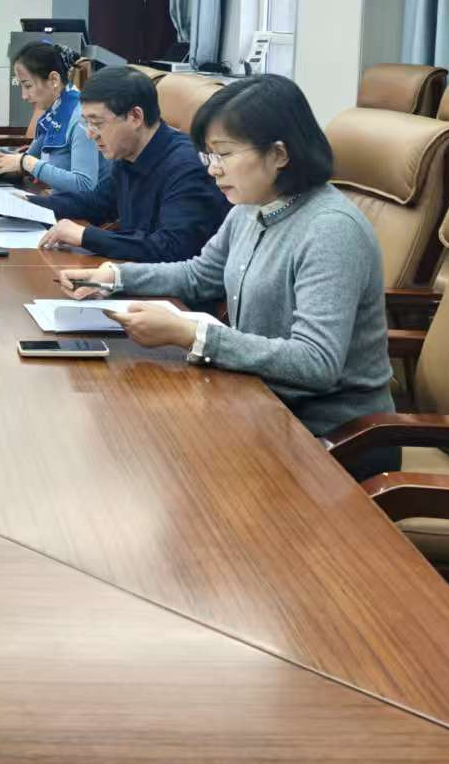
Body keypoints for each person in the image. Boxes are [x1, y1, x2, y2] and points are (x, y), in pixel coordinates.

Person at [59, 75, 396, 477]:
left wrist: (193, 335)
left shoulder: (331, 229)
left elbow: (315, 362)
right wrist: (115, 277)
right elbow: (200, 275)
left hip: (332, 439)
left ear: (279, 154)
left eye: (224, 154)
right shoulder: (249, 209)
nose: (213, 170)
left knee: (153, 460)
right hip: (257, 403)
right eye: (209, 156)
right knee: (126, 436)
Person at [38, 66, 229, 261]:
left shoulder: (187, 167)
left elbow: (172, 247)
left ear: (136, 117)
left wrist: (85, 236)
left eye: (97, 123)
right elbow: (96, 203)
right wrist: (29, 204)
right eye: (87, 123)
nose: (90, 134)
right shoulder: (128, 153)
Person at [0, 43, 100, 194]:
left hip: (85, 207)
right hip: (58, 200)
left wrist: (25, 162)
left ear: (54, 79)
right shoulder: (54, 112)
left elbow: (84, 184)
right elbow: (27, 160)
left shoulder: (81, 118)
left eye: (28, 86)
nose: (24, 96)